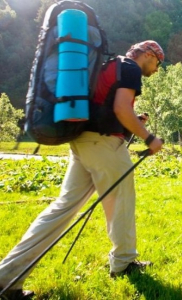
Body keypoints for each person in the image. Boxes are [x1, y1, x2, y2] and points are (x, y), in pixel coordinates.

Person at [0, 40, 164, 299]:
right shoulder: (130, 68)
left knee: (61, 209)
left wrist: (133, 120)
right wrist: (148, 137)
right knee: (121, 203)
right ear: (146, 54)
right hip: (103, 144)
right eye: (157, 61)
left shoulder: (108, 63)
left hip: (82, 140)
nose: (156, 68)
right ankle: (123, 263)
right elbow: (121, 108)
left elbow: (109, 105)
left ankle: (6, 277)